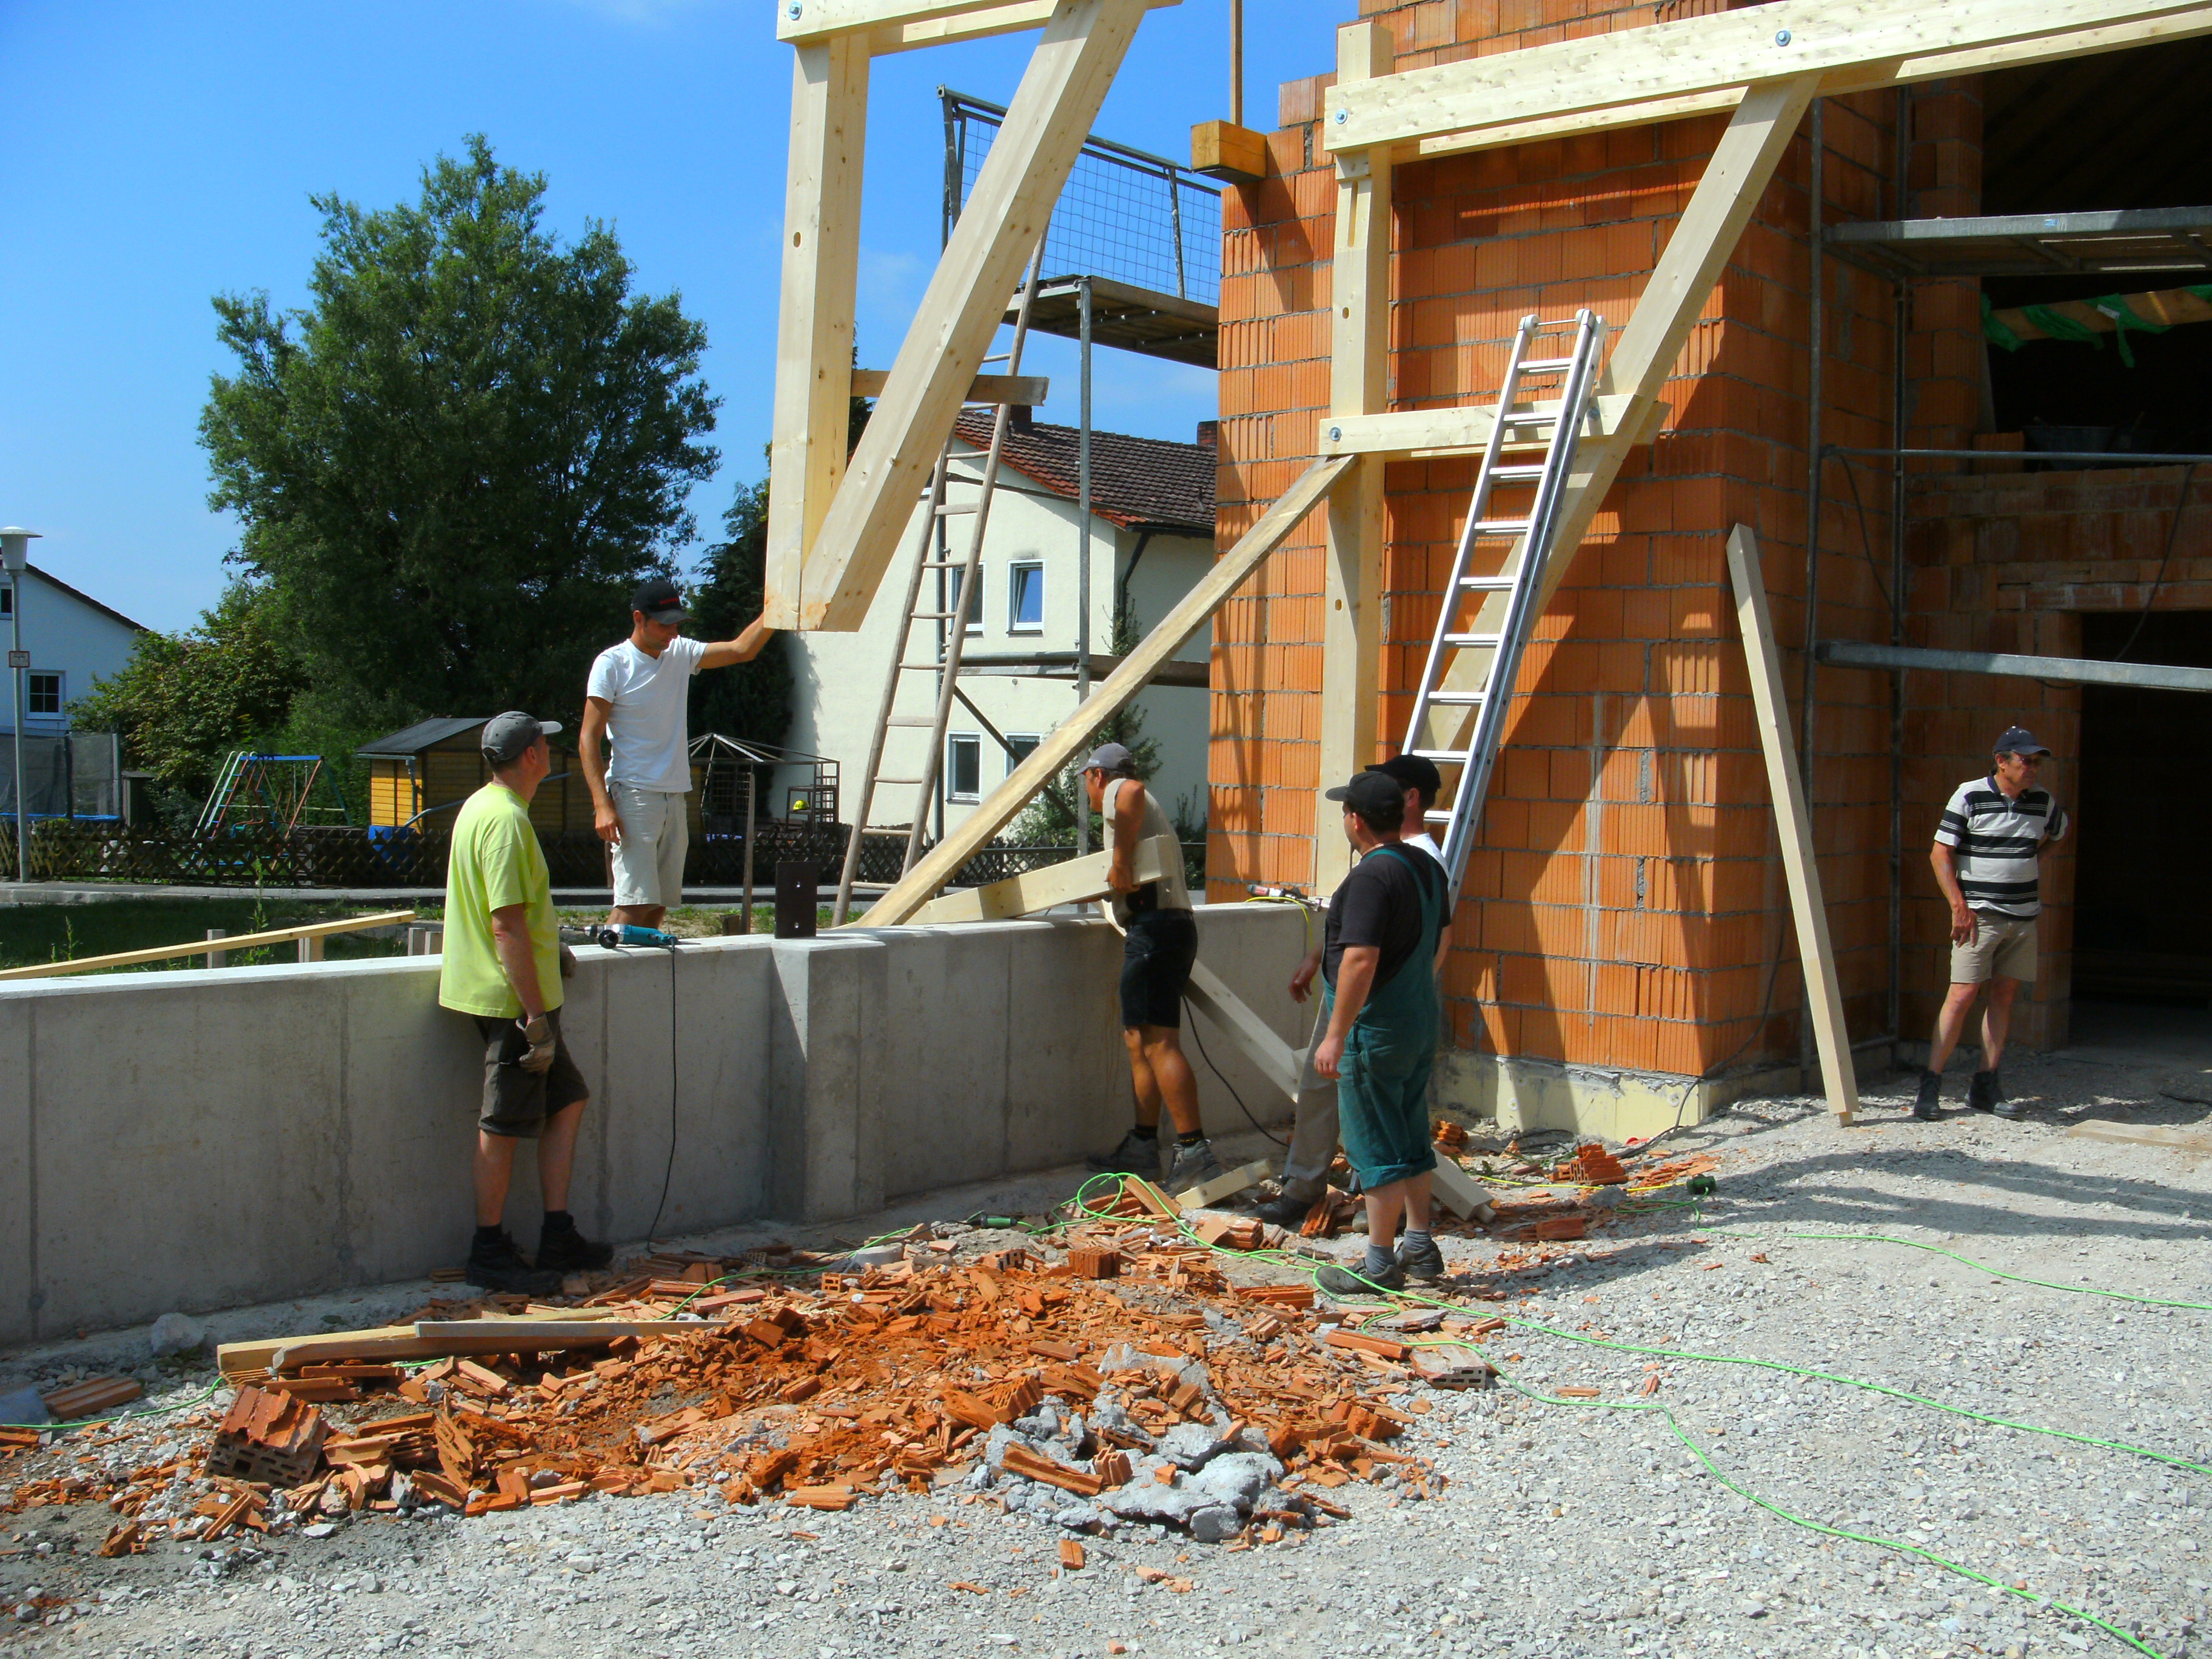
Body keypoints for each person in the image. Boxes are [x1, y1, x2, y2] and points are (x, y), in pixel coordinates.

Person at [440, 713, 615, 1293]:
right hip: (512, 1003)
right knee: (502, 1123)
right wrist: (536, 1018)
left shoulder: (481, 806)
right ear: (533, 756)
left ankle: (558, 1234)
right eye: (545, 742)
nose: (549, 749)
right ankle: (488, 1252)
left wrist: (550, 948)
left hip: (512, 991)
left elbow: (515, 915)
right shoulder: (507, 822)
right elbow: (506, 923)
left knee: (568, 1099)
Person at [1258, 752, 1450, 1228]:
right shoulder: (1400, 861)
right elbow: (1360, 931)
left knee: (1377, 1124)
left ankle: (1383, 1236)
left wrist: (1348, 1023)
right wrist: (1320, 957)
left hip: (1373, 1008)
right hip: (1383, 1006)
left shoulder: (1402, 863)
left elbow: (1382, 951)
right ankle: (1409, 1233)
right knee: (1363, 1107)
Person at [1305, 769, 1452, 1293]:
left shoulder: (1371, 877)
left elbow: (1361, 958)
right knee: (1410, 1134)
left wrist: (1335, 1035)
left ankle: (1379, 1265)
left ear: (1356, 821)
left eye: (1346, 811)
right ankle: (1420, 1245)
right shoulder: (1425, 866)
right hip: (1417, 1021)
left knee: (1375, 1147)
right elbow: (1442, 939)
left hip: (1376, 1029)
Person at [580, 577, 775, 931]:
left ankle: (645, 967)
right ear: (639, 618)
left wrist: (777, 610)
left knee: (659, 904)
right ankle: (602, 963)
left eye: (677, 624)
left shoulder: (680, 652)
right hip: (634, 794)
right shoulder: (612, 664)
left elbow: (742, 650)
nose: (673, 632)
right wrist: (602, 805)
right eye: (664, 624)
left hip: (675, 795)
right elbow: (587, 739)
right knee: (635, 903)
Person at [1082, 743, 1224, 1193]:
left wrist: (1120, 862)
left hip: (1156, 930)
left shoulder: (1119, 789)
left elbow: (1131, 790)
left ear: (1098, 776)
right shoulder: (1140, 817)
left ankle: (1194, 1151)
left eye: (1087, 780)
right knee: (1139, 1040)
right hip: (1164, 928)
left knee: (1160, 1043)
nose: (1089, 790)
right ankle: (1143, 1145)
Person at [1916, 726, 2071, 1122]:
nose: (2033, 768)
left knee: (2004, 996)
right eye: (2026, 761)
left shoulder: (2043, 802)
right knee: (1962, 995)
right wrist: (1959, 906)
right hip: (1978, 917)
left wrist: (2035, 861)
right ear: (2002, 761)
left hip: (2023, 918)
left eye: (2036, 762)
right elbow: (1940, 853)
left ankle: (1985, 1084)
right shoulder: (1970, 795)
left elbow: (2060, 834)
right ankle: (1930, 1085)